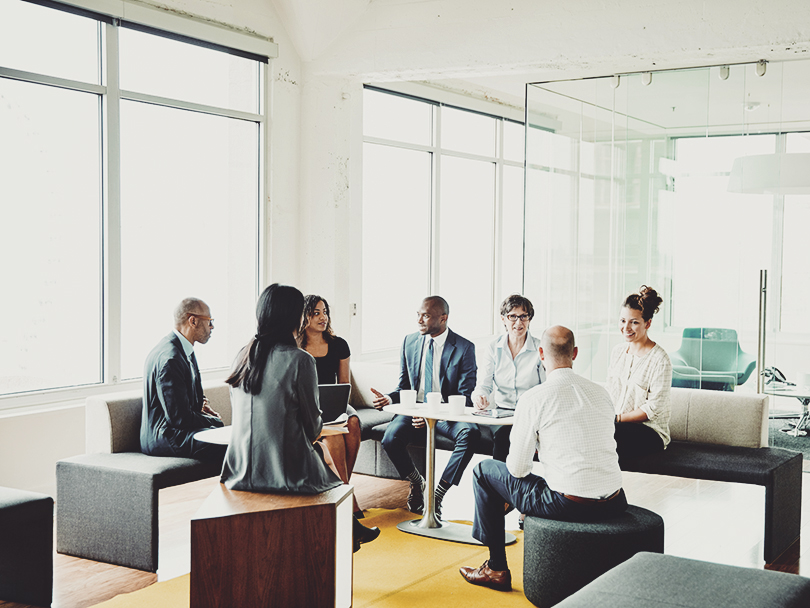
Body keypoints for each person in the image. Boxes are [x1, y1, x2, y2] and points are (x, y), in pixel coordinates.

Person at [459, 326, 627, 591]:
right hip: (616, 501)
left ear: (540, 354)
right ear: (575, 353)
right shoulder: (601, 393)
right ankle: (503, 512)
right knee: (527, 481)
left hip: (569, 505)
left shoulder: (535, 398)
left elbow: (517, 469)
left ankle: (495, 568)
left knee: (484, 471)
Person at [221, 284, 379, 550]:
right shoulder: (299, 360)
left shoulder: (242, 355)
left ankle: (352, 531)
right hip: (284, 471)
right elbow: (313, 426)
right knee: (331, 475)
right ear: (296, 318)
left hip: (237, 468)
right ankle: (347, 536)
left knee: (324, 459)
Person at [370, 296, 479, 520]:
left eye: (426, 316)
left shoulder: (465, 348)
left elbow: (465, 397)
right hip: (416, 411)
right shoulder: (409, 342)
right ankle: (417, 483)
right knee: (390, 438)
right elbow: (404, 387)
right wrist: (390, 399)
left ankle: (437, 494)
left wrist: (434, 415)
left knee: (470, 434)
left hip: (447, 413)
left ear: (443, 318)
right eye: (418, 314)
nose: (419, 320)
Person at [298, 294, 364, 519]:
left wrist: (338, 406)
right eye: (316, 313)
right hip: (307, 407)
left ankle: (343, 486)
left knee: (353, 422)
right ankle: (346, 495)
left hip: (335, 403)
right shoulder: (295, 346)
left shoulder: (339, 345)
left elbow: (344, 384)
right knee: (334, 436)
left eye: (325, 312)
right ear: (304, 316)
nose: (322, 317)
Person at [140, 297, 225, 462]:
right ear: (193, 321)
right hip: (166, 437)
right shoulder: (170, 358)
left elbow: (187, 397)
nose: (212, 327)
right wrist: (213, 421)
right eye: (209, 321)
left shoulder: (183, 349)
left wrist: (202, 406)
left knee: (225, 435)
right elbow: (179, 418)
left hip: (176, 431)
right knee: (224, 443)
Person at [472, 294, 545, 462]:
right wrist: (479, 397)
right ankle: (500, 485)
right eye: (512, 316)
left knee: (519, 439)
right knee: (503, 437)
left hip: (531, 415)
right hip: (502, 414)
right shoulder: (493, 348)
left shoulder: (540, 347)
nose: (518, 322)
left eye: (523, 316)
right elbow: (483, 385)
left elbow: (545, 388)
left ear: (529, 318)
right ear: (503, 319)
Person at [606, 285, 672, 466]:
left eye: (634, 322)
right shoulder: (617, 352)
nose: (626, 327)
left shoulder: (660, 359)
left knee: (608, 436)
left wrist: (617, 419)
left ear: (647, 323)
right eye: (622, 321)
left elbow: (653, 409)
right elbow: (610, 393)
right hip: (617, 425)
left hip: (649, 431)